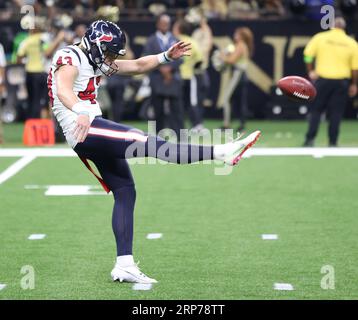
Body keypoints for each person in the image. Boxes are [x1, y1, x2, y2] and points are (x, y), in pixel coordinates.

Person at [48, 20, 261, 284]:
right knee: (153, 145)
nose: (112, 59)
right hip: (85, 128)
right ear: (95, 45)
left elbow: (137, 66)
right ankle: (221, 153)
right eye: (110, 53)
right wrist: (80, 110)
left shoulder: (94, 58)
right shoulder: (69, 56)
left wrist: (165, 56)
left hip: (91, 128)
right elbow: (63, 90)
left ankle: (124, 264)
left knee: (125, 189)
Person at [303, 17, 358, 147]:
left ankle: (310, 139)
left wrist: (311, 71)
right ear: (343, 28)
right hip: (341, 82)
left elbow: (307, 55)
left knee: (316, 110)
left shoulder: (320, 38)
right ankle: (333, 142)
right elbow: (355, 68)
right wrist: (354, 84)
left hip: (322, 80)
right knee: (336, 113)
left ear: (332, 26)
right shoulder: (351, 43)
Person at [143, 14, 184, 138]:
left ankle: (180, 137)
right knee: (158, 110)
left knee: (177, 110)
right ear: (157, 24)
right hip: (157, 79)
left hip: (173, 78)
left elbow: (181, 58)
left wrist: (170, 69)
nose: (165, 26)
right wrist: (161, 69)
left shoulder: (175, 39)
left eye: (167, 23)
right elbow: (146, 56)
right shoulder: (151, 41)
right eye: (162, 23)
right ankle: (158, 138)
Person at [173, 19, 205, 132]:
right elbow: (200, 60)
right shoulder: (193, 41)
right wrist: (190, 65)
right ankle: (197, 125)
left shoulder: (174, 40)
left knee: (178, 103)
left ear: (179, 29)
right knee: (191, 102)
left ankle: (179, 127)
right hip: (189, 76)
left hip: (176, 77)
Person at [220, 27, 254, 132]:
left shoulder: (240, 46)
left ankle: (227, 124)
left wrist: (222, 57)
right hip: (239, 74)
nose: (235, 36)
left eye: (237, 34)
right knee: (239, 101)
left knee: (226, 99)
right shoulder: (240, 46)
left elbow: (231, 60)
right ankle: (240, 124)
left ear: (241, 36)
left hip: (238, 74)